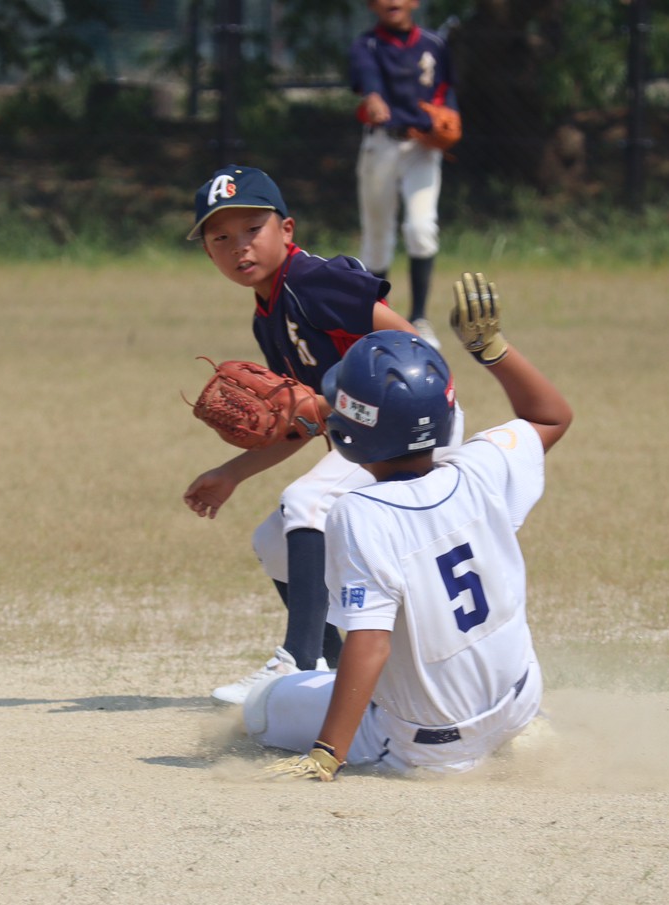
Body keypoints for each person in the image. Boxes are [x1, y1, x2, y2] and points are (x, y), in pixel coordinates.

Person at [249, 272, 573, 780]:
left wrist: (326, 754)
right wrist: (492, 349)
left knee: (264, 705)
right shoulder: (481, 467)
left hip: (431, 749)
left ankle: (354, 738)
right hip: (520, 702)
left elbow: (370, 643)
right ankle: (524, 729)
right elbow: (551, 417)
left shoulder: (360, 513)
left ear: (350, 436)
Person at [182, 164, 464, 705]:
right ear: (208, 253)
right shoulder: (268, 316)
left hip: (413, 424)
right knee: (274, 542)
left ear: (286, 231)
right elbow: (305, 421)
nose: (239, 247)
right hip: (371, 438)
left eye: (252, 229)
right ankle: (337, 670)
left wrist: (339, 400)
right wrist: (230, 474)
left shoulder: (311, 282)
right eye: (221, 237)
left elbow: (413, 347)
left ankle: (298, 658)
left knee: (306, 502)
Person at [349, 0, 457, 351]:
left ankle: (420, 319)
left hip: (422, 149)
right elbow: (367, 78)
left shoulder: (433, 44)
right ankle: (377, 319)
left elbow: (446, 90)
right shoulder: (367, 45)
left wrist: (448, 118)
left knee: (422, 228)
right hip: (381, 145)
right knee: (377, 237)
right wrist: (374, 97)